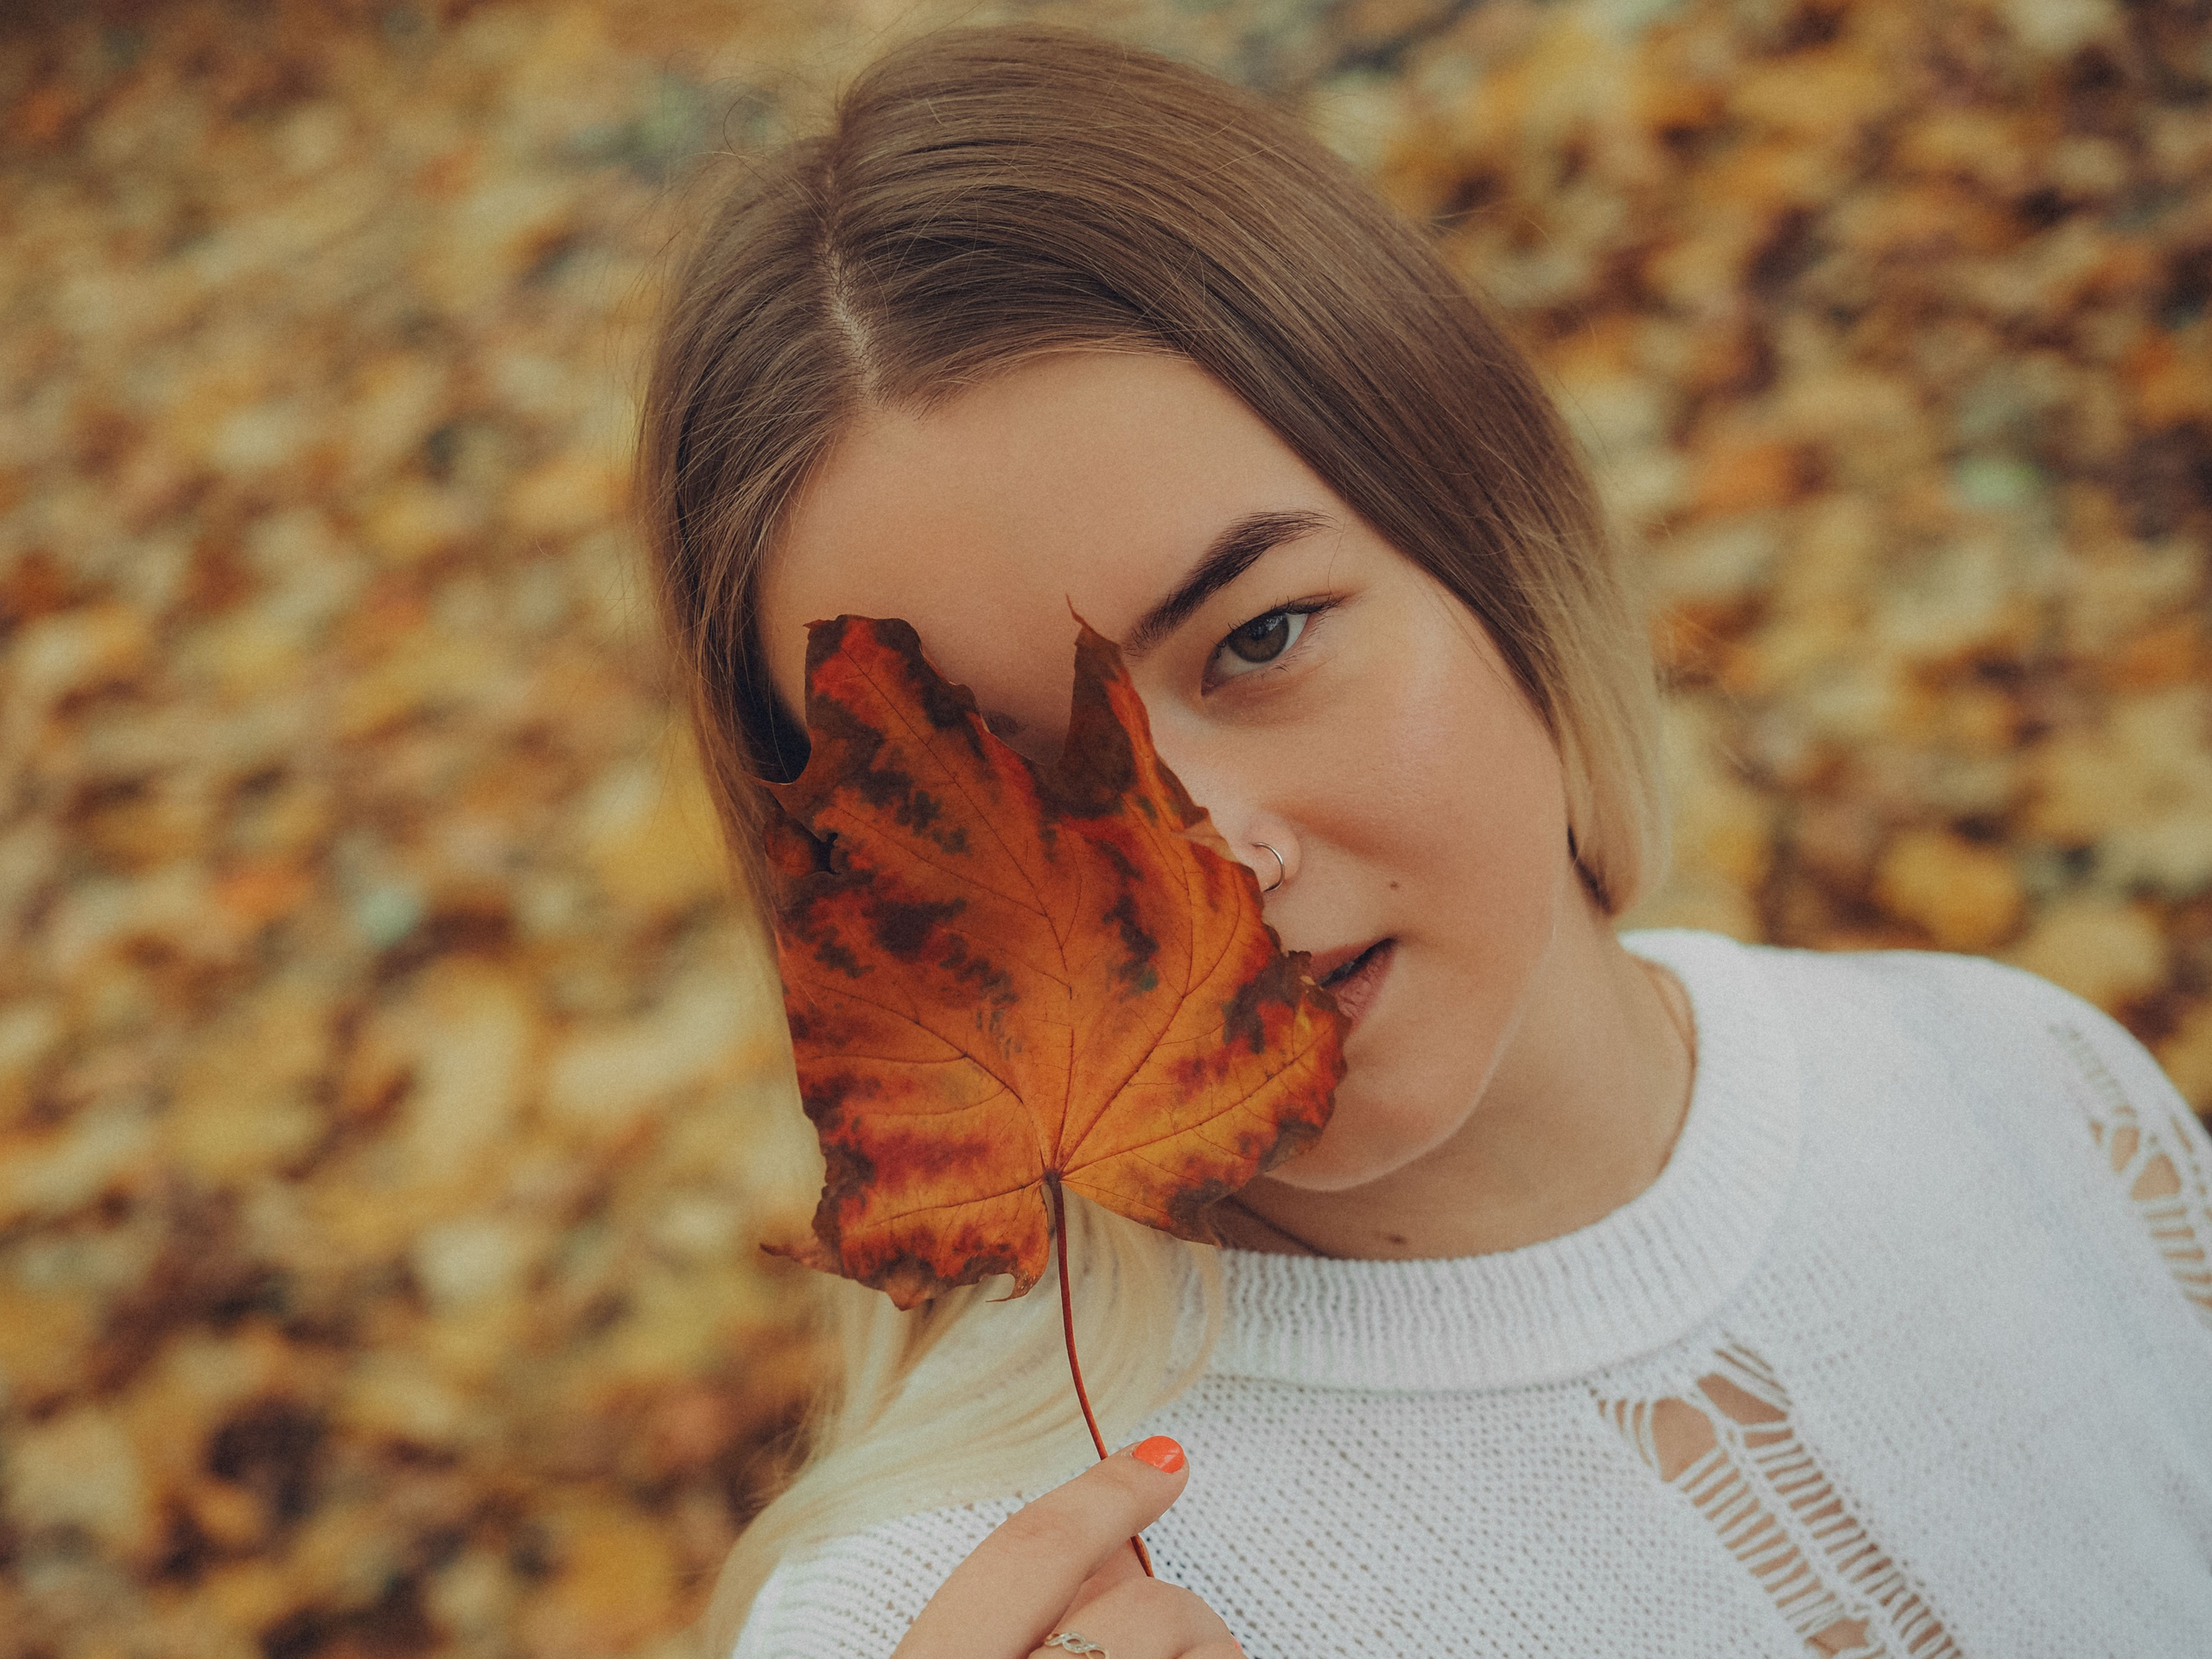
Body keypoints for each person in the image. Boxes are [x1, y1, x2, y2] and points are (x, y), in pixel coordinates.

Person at [636, 24, 2212, 1659]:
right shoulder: (949, 1613)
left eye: (1259, 640)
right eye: (999, 795)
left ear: (1499, 543)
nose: (1215, 867)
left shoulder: (2028, 1087)